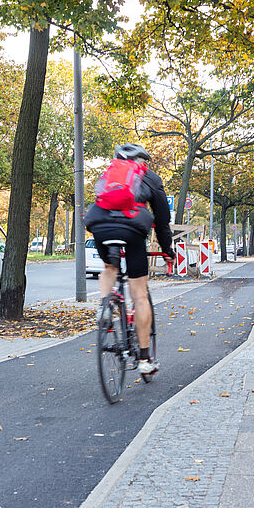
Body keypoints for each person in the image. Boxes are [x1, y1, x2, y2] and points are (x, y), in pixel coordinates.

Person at [84, 143, 175, 375]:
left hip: (100, 225)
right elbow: (162, 221)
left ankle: (106, 305)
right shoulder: (150, 178)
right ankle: (145, 359)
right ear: (142, 161)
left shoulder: (108, 174)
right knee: (139, 293)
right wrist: (168, 251)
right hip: (132, 228)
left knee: (109, 268)